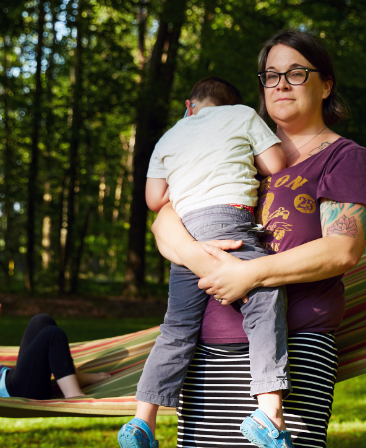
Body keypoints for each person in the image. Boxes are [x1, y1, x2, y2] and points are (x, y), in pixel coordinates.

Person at [151, 30, 366, 448]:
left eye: (296, 73)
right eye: (271, 75)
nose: (281, 84)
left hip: (294, 346)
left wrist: (250, 275)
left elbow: (343, 249)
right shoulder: (233, 149)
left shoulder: (343, 157)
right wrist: (197, 258)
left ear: (325, 84)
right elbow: (165, 218)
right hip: (204, 350)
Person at [118, 77, 293, 448]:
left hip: (187, 237)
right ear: (232, 103)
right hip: (231, 222)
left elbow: (155, 199)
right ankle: (269, 412)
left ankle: (142, 420)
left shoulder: (169, 136)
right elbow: (275, 163)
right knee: (265, 299)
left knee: (176, 329)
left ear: (189, 105)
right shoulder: (243, 115)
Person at [0, 298, 109, 400]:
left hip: (11, 378)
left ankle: (75, 377)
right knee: (52, 335)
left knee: (41, 321)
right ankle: (74, 395)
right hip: (17, 392)